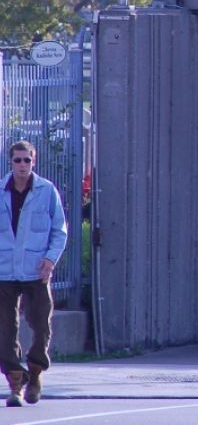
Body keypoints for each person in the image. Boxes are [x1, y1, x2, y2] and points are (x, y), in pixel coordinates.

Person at [0, 141, 67, 407]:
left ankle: (36, 372)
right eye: (18, 160)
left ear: (34, 162)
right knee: (4, 329)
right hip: (4, 271)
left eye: (27, 160)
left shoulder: (46, 191)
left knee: (41, 325)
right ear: (10, 162)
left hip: (36, 270)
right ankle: (15, 382)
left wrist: (50, 259)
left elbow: (59, 229)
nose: (22, 166)